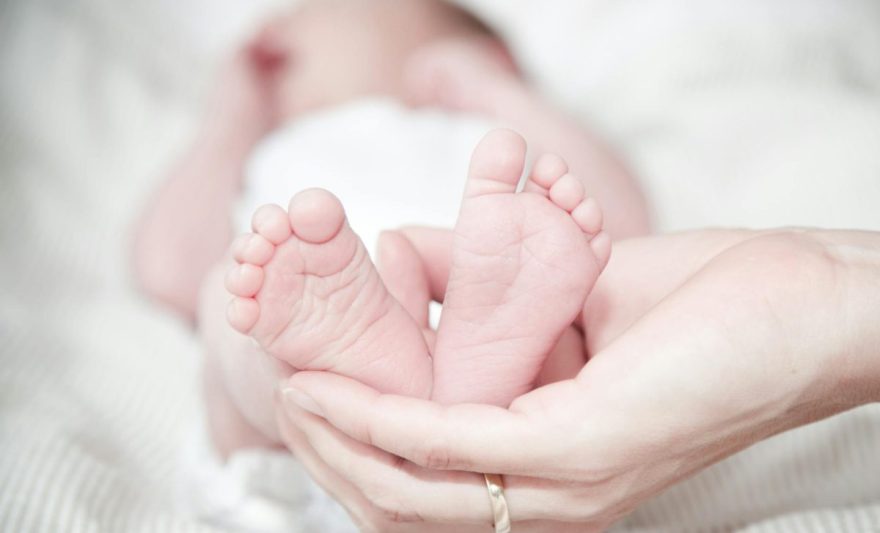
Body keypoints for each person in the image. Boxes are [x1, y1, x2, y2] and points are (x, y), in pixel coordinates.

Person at [133, 0, 649, 458]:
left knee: (572, 309)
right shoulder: (272, 147)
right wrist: (233, 116)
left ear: (478, 52)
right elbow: (167, 271)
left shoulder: (484, 128)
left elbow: (618, 228)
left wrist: (498, 91)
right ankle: (371, 372)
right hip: (302, 435)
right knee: (230, 306)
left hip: (508, 397)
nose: (281, 31)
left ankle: (449, 375)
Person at [274, 226, 880, 531]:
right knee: (265, 336)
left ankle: (415, 380)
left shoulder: (503, 95)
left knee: (269, 358)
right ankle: (437, 375)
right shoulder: (274, 126)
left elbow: (608, 215)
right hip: (348, 279)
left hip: (370, 277)